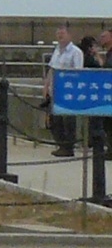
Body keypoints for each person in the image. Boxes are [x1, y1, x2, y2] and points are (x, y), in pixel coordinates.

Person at [48, 25, 84, 157]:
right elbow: (51, 69)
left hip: (68, 92)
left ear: (69, 35)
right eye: (58, 34)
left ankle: (69, 147)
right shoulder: (57, 50)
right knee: (54, 121)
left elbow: (77, 72)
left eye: (62, 33)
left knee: (68, 121)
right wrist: (46, 87)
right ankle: (61, 145)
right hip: (55, 91)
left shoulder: (76, 52)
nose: (60, 36)